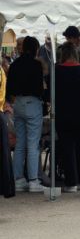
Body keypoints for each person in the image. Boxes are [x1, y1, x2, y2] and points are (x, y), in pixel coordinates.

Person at [55, 42, 80, 192]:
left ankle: (71, 182)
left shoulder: (56, 71)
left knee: (67, 149)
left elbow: (51, 94)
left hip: (63, 116)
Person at [6, 36, 45, 193]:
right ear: (35, 48)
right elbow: (40, 88)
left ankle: (18, 179)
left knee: (20, 143)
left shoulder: (14, 64)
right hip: (32, 103)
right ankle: (34, 180)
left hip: (18, 103)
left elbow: (10, 88)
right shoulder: (36, 65)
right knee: (33, 144)